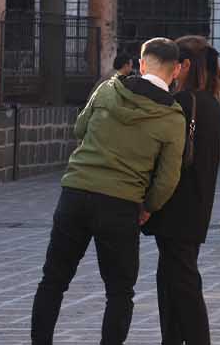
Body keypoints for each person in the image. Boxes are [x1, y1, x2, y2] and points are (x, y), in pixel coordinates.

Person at [31, 37, 185, 345]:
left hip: (75, 192)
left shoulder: (108, 89)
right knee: (119, 291)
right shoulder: (172, 117)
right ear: (177, 70)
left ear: (141, 64)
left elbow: (80, 128)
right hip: (121, 203)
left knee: (54, 279)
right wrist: (149, 206)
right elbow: (168, 178)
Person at [143, 36, 220, 345]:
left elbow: (168, 159)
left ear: (186, 65)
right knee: (171, 278)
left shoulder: (182, 103)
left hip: (177, 203)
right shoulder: (209, 103)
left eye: (176, 62)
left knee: (183, 281)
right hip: (196, 203)